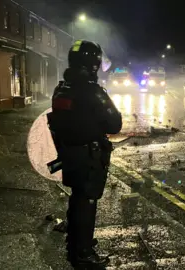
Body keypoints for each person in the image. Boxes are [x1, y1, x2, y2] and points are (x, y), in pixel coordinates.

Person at [47, 40, 122, 269]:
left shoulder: (62, 88)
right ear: (93, 64)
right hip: (89, 156)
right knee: (87, 202)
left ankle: (76, 241)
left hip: (69, 153)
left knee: (77, 198)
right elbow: (115, 124)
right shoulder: (92, 91)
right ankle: (84, 254)